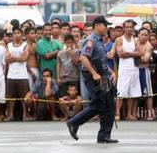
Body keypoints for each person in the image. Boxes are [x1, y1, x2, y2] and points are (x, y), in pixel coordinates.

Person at [66, 16, 118, 144]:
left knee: (108, 105)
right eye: (105, 25)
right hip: (93, 76)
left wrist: (111, 73)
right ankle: (73, 122)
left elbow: (101, 60)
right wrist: (94, 73)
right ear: (97, 25)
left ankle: (104, 135)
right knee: (99, 104)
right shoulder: (91, 40)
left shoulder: (100, 41)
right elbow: (83, 58)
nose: (107, 28)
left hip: (103, 75)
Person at [115, 20, 143, 120]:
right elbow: (120, 54)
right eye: (127, 27)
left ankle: (129, 114)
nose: (129, 29)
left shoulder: (135, 40)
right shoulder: (119, 39)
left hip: (134, 69)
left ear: (133, 28)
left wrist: (128, 53)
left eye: (131, 27)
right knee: (121, 92)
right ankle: (117, 113)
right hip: (124, 69)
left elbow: (140, 53)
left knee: (132, 92)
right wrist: (133, 53)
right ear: (124, 28)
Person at [6, 28, 32, 121]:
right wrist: (18, 58)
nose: (17, 35)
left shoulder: (26, 45)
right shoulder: (9, 45)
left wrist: (13, 57)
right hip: (11, 75)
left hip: (22, 75)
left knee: (23, 97)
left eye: (18, 33)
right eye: (15, 33)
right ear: (12, 35)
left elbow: (24, 58)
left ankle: (25, 114)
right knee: (11, 97)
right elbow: (7, 58)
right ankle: (11, 115)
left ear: (22, 35)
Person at [57, 33, 80, 118]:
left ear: (73, 43)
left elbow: (76, 63)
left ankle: (76, 115)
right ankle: (66, 115)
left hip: (74, 77)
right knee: (63, 98)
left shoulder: (77, 52)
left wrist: (71, 53)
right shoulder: (60, 53)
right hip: (63, 78)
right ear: (64, 43)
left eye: (71, 42)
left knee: (76, 98)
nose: (69, 44)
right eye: (67, 42)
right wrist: (58, 77)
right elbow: (58, 65)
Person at [136, 28, 154, 120]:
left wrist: (135, 55)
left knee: (148, 93)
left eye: (146, 35)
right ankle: (136, 112)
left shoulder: (149, 46)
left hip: (144, 70)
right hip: (134, 70)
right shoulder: (134, 42)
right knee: (135, 92)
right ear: (138, 35)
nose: (143, 37)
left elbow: (146, 59)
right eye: (142, 34)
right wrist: (139, 55)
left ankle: (150, 112)